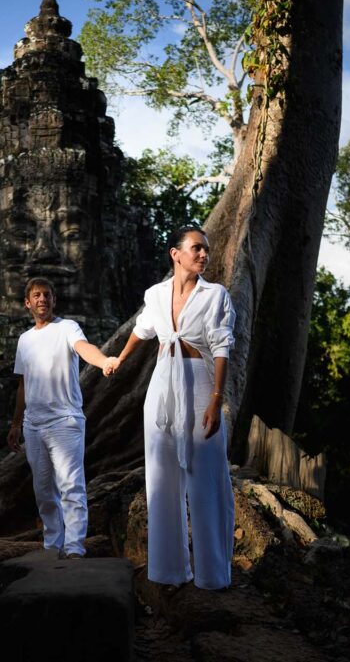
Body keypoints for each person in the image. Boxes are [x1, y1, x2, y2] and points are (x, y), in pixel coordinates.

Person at [114, 226, 236, 589]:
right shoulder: (155, 295)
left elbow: (222, 347)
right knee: (161, 479)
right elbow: (142, 329)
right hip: (162, 389)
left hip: (200, 386)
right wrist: (119, 359)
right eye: (197, 248)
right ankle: (168, 570)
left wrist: (216, 398)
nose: (204, 255)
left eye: (206, 250)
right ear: (175, 254)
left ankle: (212, 576)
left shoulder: (215, 295)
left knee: (206, 480)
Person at [7, 277, 120, 559]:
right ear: (28, 303)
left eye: (47, 294)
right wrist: (16, 424)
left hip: (64, 421)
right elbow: (23, 384)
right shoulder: (24, 340)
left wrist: (103, 361)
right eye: (37, 295)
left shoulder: (67, 327)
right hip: (33, 425)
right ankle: (52, 545)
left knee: (71, 486)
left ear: (54, 300)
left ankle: (74, 547)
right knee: (43, 491)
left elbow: (83, 347)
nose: (42, 299)